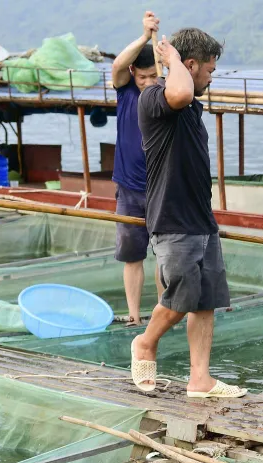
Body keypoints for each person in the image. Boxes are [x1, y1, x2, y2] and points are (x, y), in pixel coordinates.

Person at [130, 28, 246, 400]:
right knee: (181, 297)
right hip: (173, 220)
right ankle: (145, 343)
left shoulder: (192, 107)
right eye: (208, 70)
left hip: (201, 220)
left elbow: (185, 94)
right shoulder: (152, 98)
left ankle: (200, 379)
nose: (211, 78)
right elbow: (178, 91)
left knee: (205, 300)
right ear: (190, 64)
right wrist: (173, 61)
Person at [111, 10, 164, 326]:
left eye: (153, 77)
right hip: (129, 188)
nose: (147, 83)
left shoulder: (166, 94)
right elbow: (117, 66)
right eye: (141, 77)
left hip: (160, 187)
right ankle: (133, 315)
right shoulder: (126, 90)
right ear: (133, 73)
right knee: (132, 255)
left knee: (163, 254)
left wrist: (165, 60)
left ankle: (161, 313)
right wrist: (145, 36)